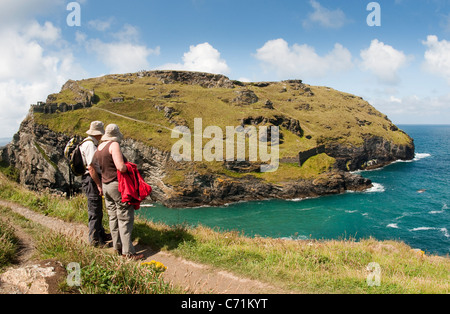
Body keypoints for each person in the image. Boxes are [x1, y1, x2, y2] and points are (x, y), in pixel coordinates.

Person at [92, 124, 144, 260]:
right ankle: (129, 253)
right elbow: (120, 167)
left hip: (106, 185)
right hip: (117, 185)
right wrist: (130, 167)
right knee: (125, 217)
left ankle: (117, 247)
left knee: (113, 217)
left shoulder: (99, 148)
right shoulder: (113, 145)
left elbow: (92, 166)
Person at [80, 121, 111, 247]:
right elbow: (91, 167)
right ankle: (95, 241)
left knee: (97, 208)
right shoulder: (90, 145)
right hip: (91, 179)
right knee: (94, 210)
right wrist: (98, 184)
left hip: (90, 179)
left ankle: (101, 234)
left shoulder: (87, 143)